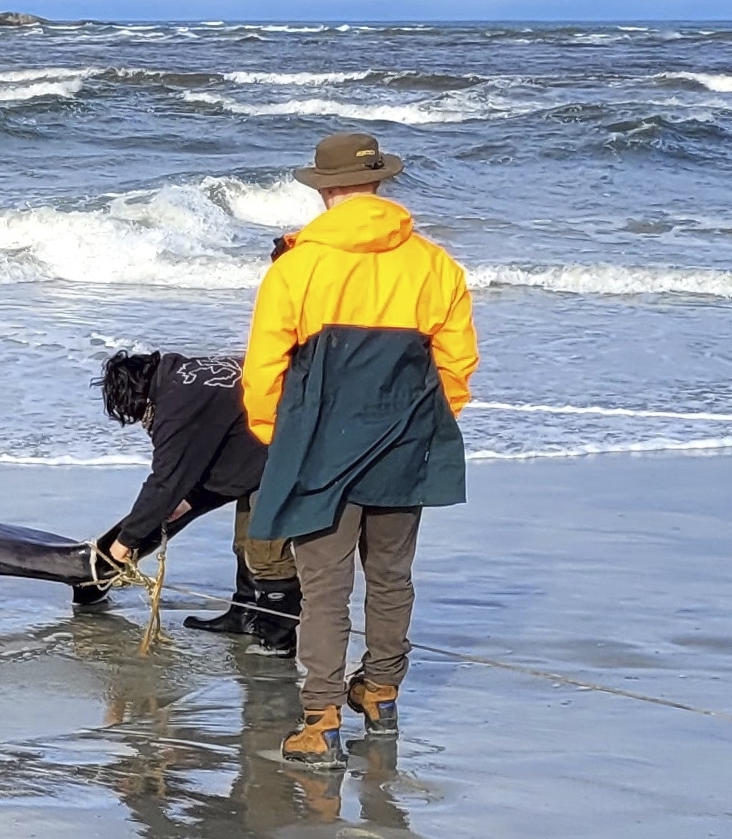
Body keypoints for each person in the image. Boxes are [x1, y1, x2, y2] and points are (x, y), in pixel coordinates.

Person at [243, 132, 479, 768]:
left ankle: (320, 720)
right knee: (392, 574)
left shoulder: (297, 266)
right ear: (379, 186)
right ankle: (380, 692)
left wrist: (276, 435)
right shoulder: (435, 265)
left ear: (325, 191)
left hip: (319, 442)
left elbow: (263, 366)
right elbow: (457, 366)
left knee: (323, 585)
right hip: (405, 437)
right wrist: (422, 421)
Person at [94, 349, 300, 656]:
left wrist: (121, 547)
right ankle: (245, 613)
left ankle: (278, 642)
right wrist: (190, 500)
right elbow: (219, 448)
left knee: (265, 551)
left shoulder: (178, 405)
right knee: (245, 544)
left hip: (292, 448)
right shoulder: (183, 376)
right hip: (263, 445)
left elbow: (165, 482)